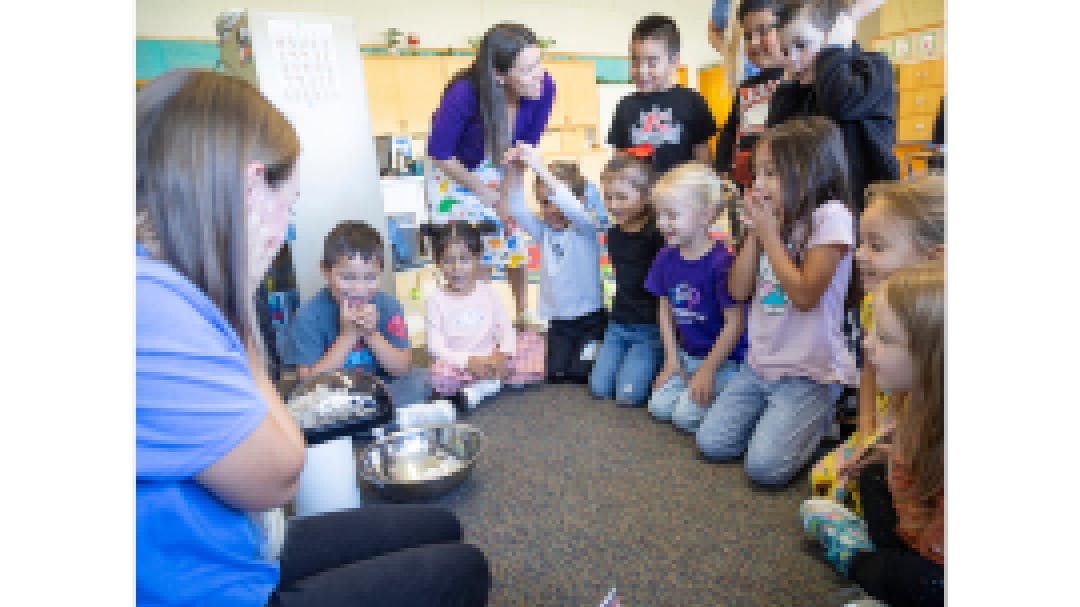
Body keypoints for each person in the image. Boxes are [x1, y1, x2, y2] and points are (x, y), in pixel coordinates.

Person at [136, 68, 489, 607]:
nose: (283, 228)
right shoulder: (156, 307)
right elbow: (280, 475)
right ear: (251, 187)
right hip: (218, 586)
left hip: (236, 546)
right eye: (289, 204)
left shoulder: (155, 277)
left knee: (440, 526)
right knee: (464, 567)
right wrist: (237, 295)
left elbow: (396, 368)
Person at [695, 116, 857, 487]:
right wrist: (755, 234)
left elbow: (803, 295)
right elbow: (737, 291)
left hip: (808, 373)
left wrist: (769, 235)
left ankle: (821, 415)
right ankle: (783, 420)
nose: (759, 184)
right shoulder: (772, 221)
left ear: (809, 170)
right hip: (760, 366)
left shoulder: (830, 218)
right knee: (712, 443)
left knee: (764, 469)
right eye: (757, 173)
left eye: (771, 172)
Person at [800, 261, 945, 606]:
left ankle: (859, 560)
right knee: (871, 473)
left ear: (931, 356)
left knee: (917, 580)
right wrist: (885, 455)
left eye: (884, 337)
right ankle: (883, 564)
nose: (867, 344)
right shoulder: (916, 397)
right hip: (919, 527)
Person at [810, 175, 944, 514]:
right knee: (828, 481)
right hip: (888, 424)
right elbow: (868, 371)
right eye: (862, 242)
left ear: (934, 258)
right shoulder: (875, 301)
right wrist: (867, 431)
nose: (860, 256)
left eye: (877, 246)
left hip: (925, 438)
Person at [427, 22, 555, 326]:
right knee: (471, 245)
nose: (539, 73)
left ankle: (523, 313)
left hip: (503, 163)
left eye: (538, 62)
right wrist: (482, 191)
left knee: (510, 232)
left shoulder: (544, 87)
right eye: (527, 69)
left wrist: (507, 194)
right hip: (456, 169)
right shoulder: (464, 94)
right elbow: (440, 152)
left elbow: (524, 147)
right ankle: (476, 317)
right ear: (499, 75)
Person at [768, 0, 899, 213]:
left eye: (801, 45)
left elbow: (839, 105)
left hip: (864, 211)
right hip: (818, 214)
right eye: (785, 51)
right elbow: (778, 136)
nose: (792, 59)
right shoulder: (805, 88)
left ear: (834, 35)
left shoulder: (873, 68)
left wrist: (833, 50)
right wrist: (789, 81)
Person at [644, 163, 748, 432]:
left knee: (684, 418)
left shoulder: (722, 263)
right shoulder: (665, 256)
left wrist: (709, 370)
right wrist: (671, 360)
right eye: (659, 215)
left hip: (724, 360)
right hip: (687, 355)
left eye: (672, 215)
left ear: (705, 215)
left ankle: (733, 401)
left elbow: (735, 323)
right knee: (658, 408)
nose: (662, 224)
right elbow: (664, 309)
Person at [282, 220, 431, 407]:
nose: (359, 289)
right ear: (325, 271)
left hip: (385, 390)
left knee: (422, 379)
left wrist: (371, 334)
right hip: (335, 398)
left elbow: (402, 368)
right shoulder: (308, 317)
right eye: (347, 277)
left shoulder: (389, 306)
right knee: (302, 402)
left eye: (370, 278)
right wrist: (349, 336)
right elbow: (307, 383)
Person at [505, 144, 607, 384]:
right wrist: (518, 173)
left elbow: (572, 208)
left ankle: (603, 341)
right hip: (559, 324)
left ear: (579, 199)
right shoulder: (544, 233)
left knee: (580, 374)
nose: (552, 210)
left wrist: (540, 169)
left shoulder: (586, 228)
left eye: (556, 201)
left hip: (590, 321)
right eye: (544, 203)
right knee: (555, 374)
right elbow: (518, 209)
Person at [424, 221, 545, 406]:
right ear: (437, 261)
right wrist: (469, 362)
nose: (456, 268)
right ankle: (494, 382)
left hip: (493, 358)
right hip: (460, 365)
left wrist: (501, 356)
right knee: (437, 374)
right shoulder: (435, 298)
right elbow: (435, 347)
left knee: (533, 340)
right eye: (448, 261)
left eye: (464, 259)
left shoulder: (488, 291)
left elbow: (506, 328)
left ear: (478, 258)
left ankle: (487, 380)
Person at [589, 154, 666, 407]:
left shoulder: (657, 234)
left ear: (645, 196)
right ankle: (629, 361)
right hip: (618, 325)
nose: (613, 204)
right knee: (599, 389)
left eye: (621, 197)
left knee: (627, 397)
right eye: (608, 197)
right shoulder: (613, 234)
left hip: (648, 329)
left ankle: (653, 360)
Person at [608, 14, 718, 175]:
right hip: (639, 197)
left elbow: (703, 158)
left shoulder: (692, 101)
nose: (642, 70)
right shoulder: (624, 106)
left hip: (680, 197)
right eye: (635, 61)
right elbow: (619, 159)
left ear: (674, 62)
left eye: (652, 62)